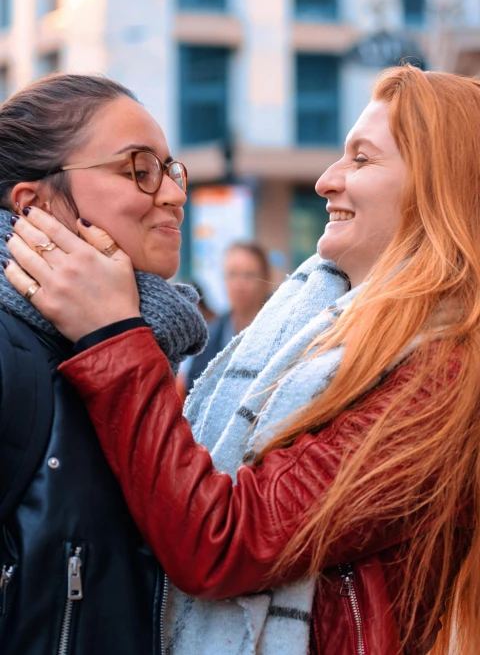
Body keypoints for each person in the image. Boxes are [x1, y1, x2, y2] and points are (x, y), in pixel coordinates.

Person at [4, 65, 480, 655]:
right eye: (138, 170)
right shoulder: (319, 335)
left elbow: (224, 540)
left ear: (443, 187)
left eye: (361, 159)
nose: (326, 181)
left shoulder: (448, 375)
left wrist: (114, 338)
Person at [0, 73, 208, 655]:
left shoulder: (146, 347)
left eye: (170, 169)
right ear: (34, 204)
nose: (172, 193)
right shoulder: (9, 348)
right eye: (137, 168)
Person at [186, 240, 272, 392]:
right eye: (232, 275)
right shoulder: (209, 336)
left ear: (266, 280)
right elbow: (192, 388)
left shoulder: (281, 331)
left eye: (249, 275)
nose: (239, 284)